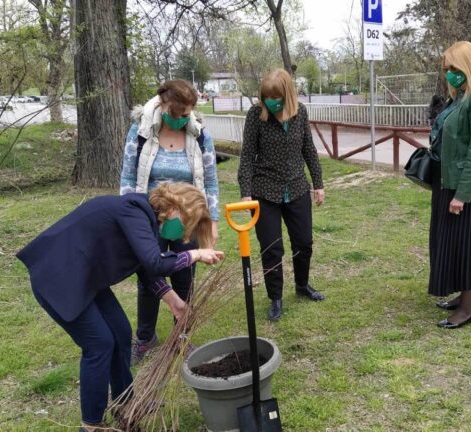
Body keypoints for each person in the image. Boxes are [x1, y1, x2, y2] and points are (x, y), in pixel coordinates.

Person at [16, 183, 225, 431]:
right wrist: (195, 255)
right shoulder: (133, 211)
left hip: (85, 277)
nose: (182, 235)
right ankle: (92, 425)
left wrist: (173, 300)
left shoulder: (144, 221)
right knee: (99, 344)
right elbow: (155, 262)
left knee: (121, 332)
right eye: (185, 222)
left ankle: (125, 403)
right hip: (59, 278)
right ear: (173, 207)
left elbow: (145, 268)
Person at [119, 80, 220, 364]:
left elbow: (210, 181)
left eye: (184, 114)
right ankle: (146, 337)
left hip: (187, 216)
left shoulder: (200, 135)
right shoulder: (140, 132)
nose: (178, 119)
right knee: (150, 274)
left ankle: (181, 337)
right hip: (150, 217)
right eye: (173, 112)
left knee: (185, 274)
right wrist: (130, 218)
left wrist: (212, 220)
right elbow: (128, 177)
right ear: (162, 103)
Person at [238, 68, 326, 321]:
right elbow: (246, 156)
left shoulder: (300, 113)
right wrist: (246, 193)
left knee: (304, 242)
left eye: (275, 97)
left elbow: (309, 149)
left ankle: (302, 285)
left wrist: (318, 184)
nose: (270, 102)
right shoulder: (256, 115)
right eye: (266, 97)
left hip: (297, 187)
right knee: (272, 248)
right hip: (265, 191)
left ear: (286, 95)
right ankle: (275, 297)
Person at [429, 41, 471, 329]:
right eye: (446, 69)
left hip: (465, 189)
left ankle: (468, 306)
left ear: (468, 67)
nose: (449, 74)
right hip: (446, 182)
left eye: (454, 68)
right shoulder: (458, 98)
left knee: (466, 246)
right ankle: (462, 295)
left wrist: (462, 195)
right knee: (451, 243)